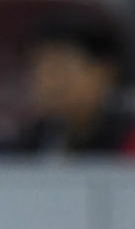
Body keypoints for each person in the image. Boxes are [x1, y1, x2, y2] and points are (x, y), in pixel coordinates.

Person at [19, 10, 135, 156]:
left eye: (60, 67)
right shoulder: (33, 138)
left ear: (105, 71)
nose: (47, 82)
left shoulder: (129, 138)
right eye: (38, 68)